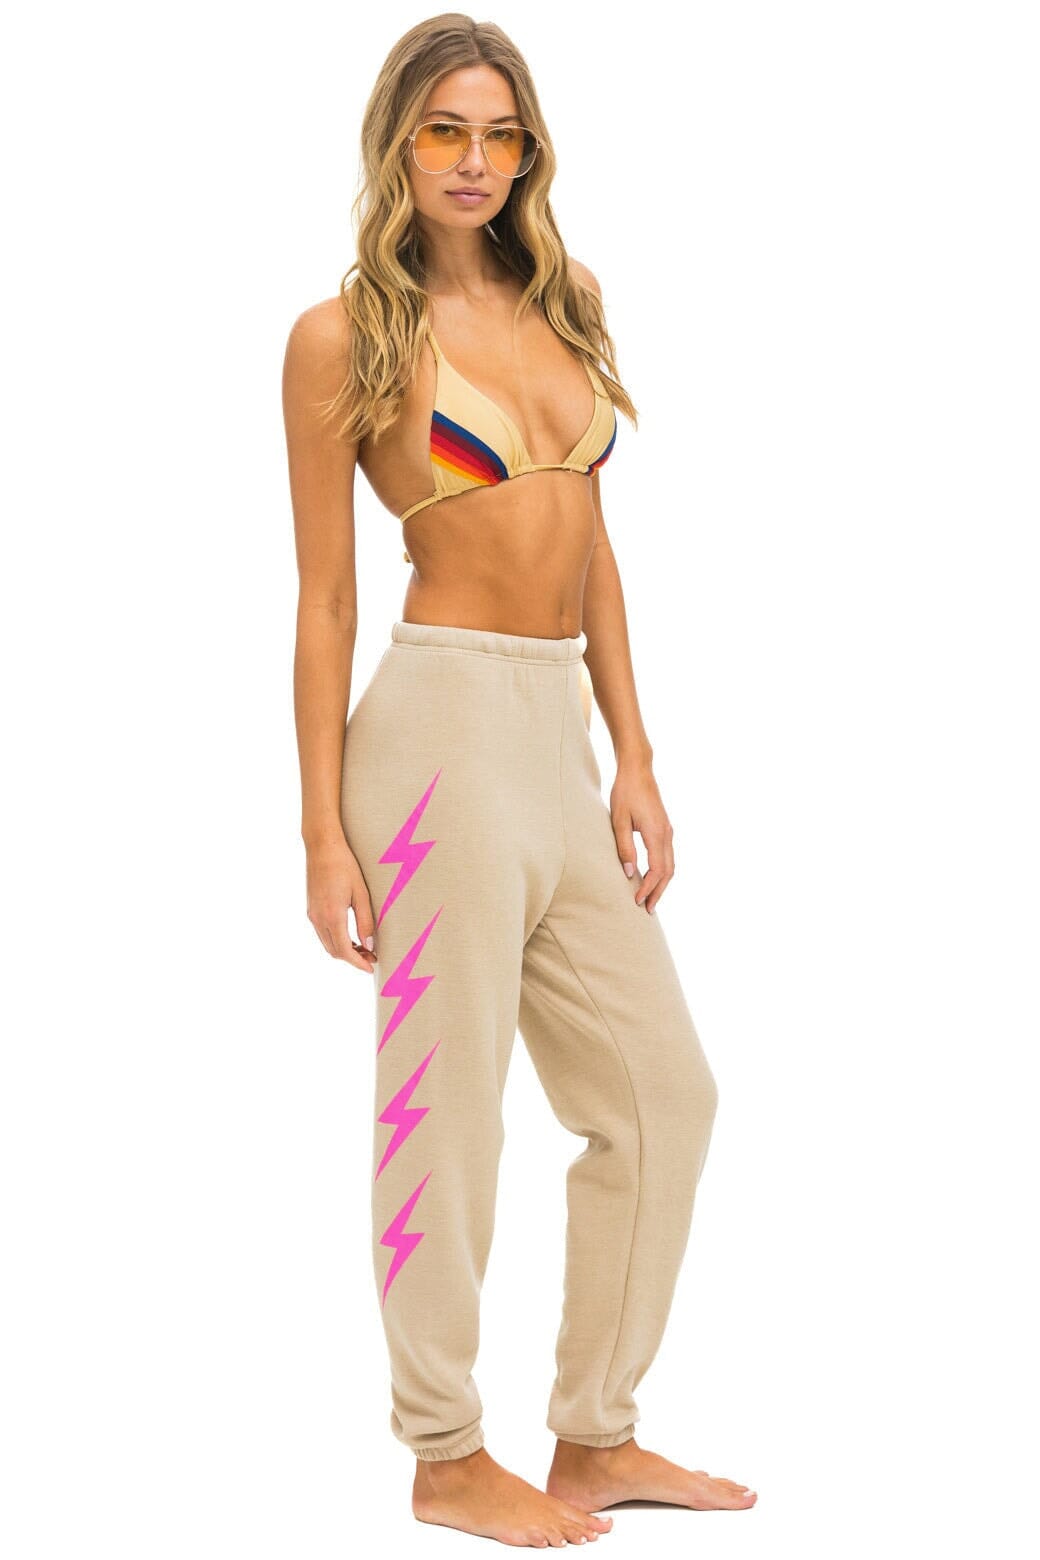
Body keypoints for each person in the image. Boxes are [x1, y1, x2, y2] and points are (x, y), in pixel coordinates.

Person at [282, 14, 756, 1549]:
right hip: (434, 740)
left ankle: (594, 1435)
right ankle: (443, 1454)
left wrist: (637, 757)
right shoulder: (343, 336)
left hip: (558, 739)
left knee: (661, 1092)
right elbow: (327, 600)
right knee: (447, 1118)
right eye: (443, 130)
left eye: (499, 134)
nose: (473, 161)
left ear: (529, 151)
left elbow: (593, 548)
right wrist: (320, 832)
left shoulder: (570, 301)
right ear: (397, 144)